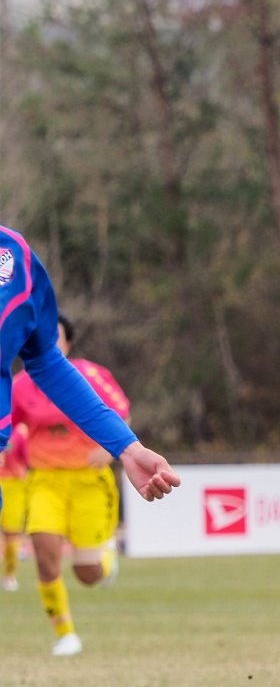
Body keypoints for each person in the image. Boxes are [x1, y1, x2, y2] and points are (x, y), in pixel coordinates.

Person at [0, 225, 178, 656]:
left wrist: (126, 447)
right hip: (42, 478)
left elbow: (47, 364)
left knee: (85, 570)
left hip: (79, 477)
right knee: (43, 554)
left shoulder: (15, 259)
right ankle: (65, 633)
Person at [0, 422, 29, 591]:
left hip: (15, 486)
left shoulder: (19, 430)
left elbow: (26, 459)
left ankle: (10, 575)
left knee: (12, 534)